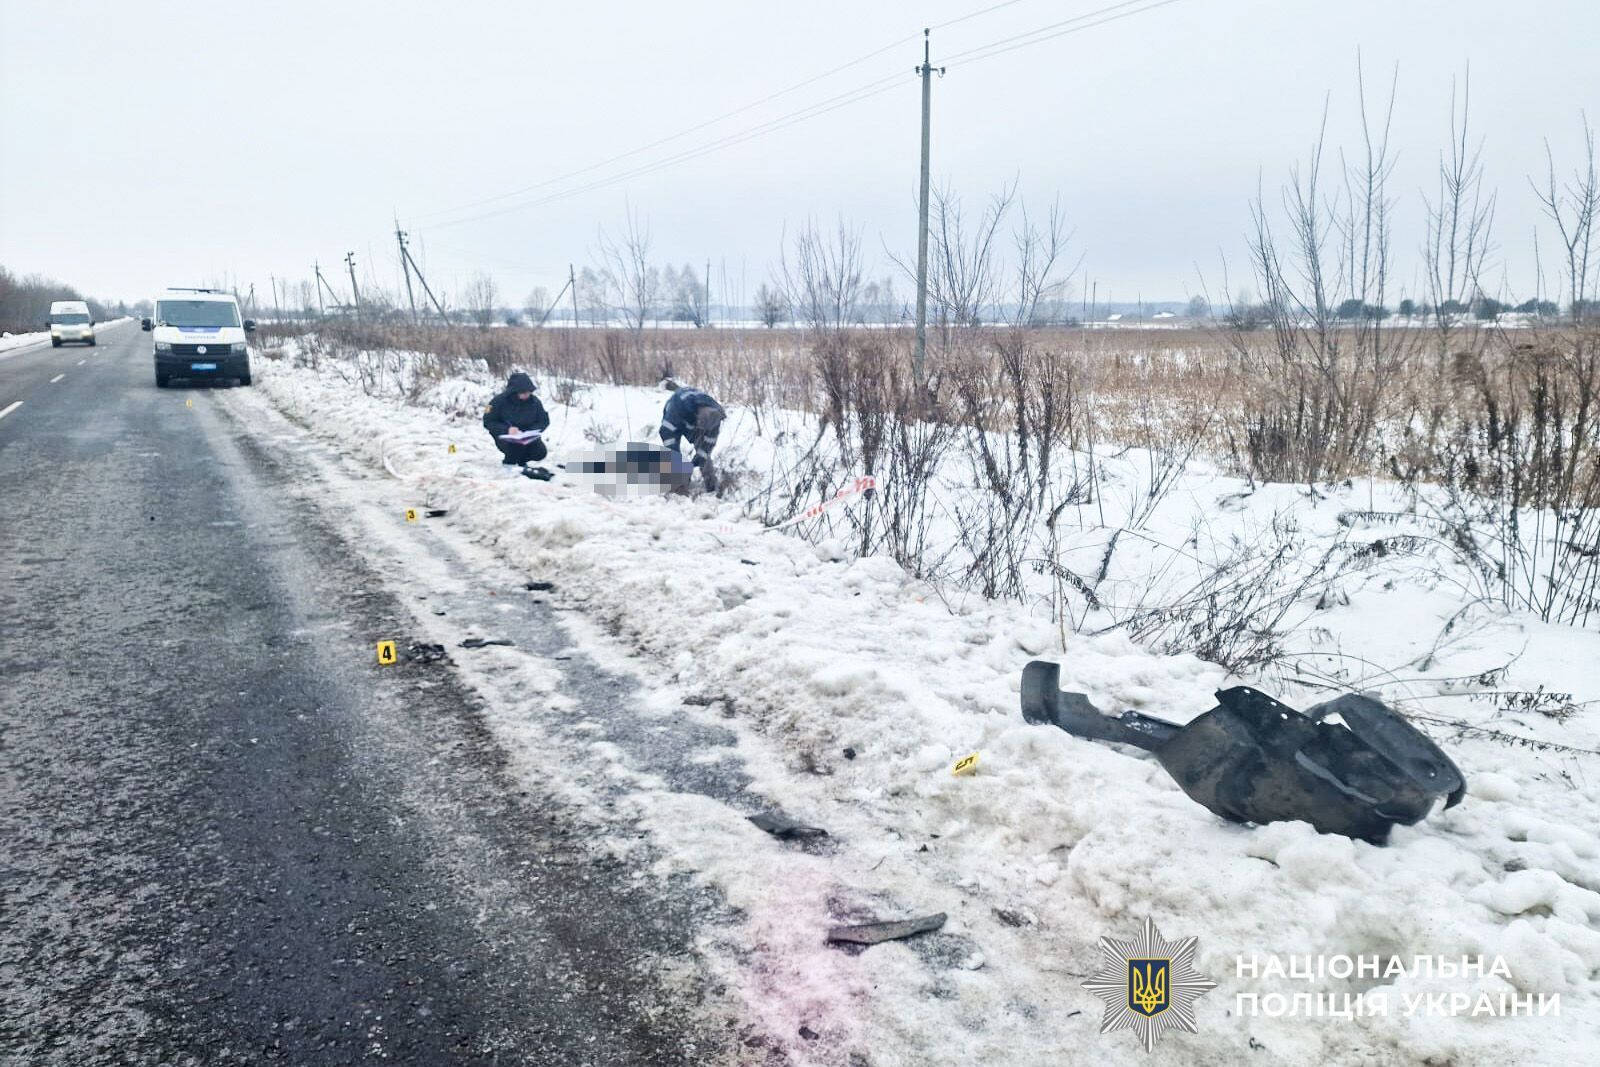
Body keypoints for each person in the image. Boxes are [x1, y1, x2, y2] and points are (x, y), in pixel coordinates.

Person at [659, 385, 725, 492]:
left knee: (705, 455)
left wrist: (700, 457)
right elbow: (667, 433)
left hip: (695, 418)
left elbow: (709, 442)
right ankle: (677, 485)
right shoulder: (677, 407)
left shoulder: (715, 416)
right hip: (676, 416)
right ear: (697, 417)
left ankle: (711, 485)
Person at [483, 372, 550, 466]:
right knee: (515, 450)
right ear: (514, 392)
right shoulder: (496, 402)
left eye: (529, 392)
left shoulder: (535, 402)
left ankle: (522, 461)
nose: (527, 395)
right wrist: (506, 430)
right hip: (506, 437)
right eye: (523, 393)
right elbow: (487, 421)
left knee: (540, 453)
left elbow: (544, 421)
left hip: (528, 437)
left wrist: (531, 431)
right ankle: (510, 463)